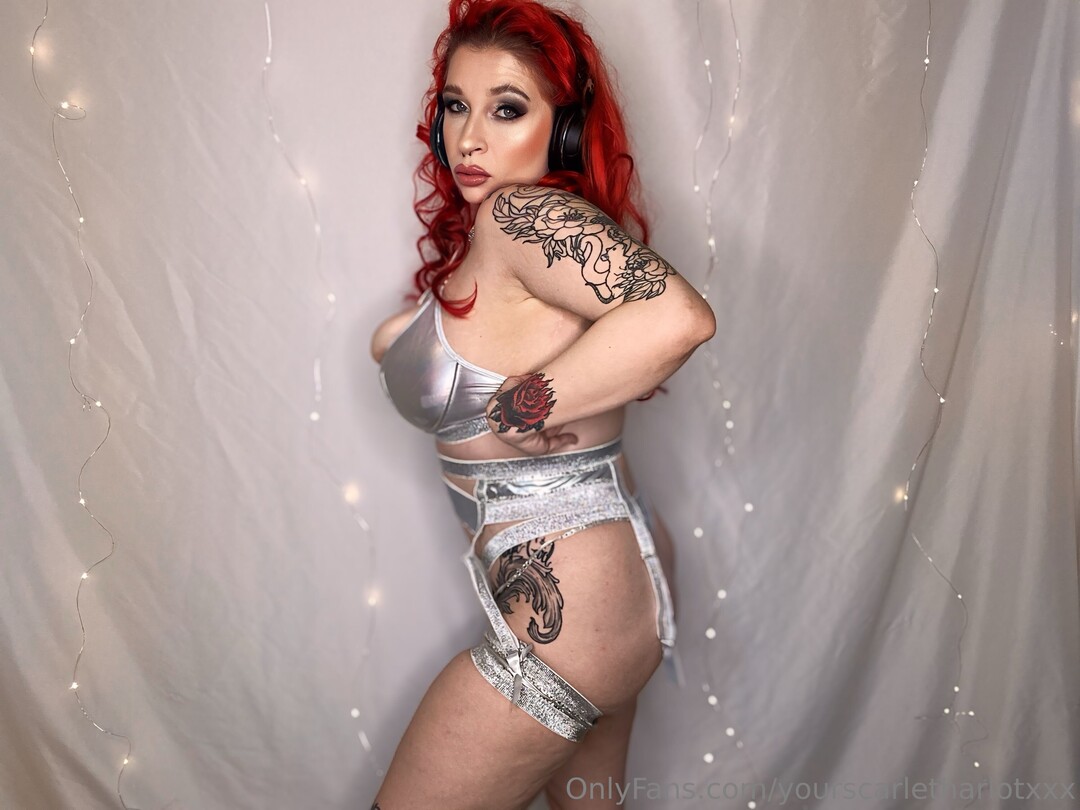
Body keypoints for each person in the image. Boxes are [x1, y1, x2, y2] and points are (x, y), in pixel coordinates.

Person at [369, 1, 715, 806]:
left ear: (563, 128)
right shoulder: (505, 241)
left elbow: (679, 317)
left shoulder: (519, 215)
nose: (469, 138)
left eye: (507, 109)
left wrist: (519, 405)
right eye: (456, 106)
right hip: (607, 587)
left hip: (575, 605)